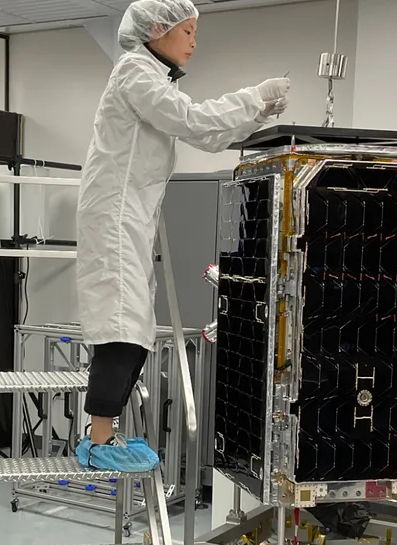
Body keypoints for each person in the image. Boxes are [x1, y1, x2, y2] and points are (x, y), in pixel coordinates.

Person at [74, 0, 290, 472]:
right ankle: (96, 441)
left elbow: (205, 135)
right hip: (114, 217)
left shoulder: (151, 77)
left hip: (130, 216)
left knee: (135, 328)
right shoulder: (135, 72)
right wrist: (254, 97)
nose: (194, 41)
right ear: (155, 30)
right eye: (187, 31)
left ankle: (102, 436)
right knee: (122, 326)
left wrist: (258, 115)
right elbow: (192, 121)